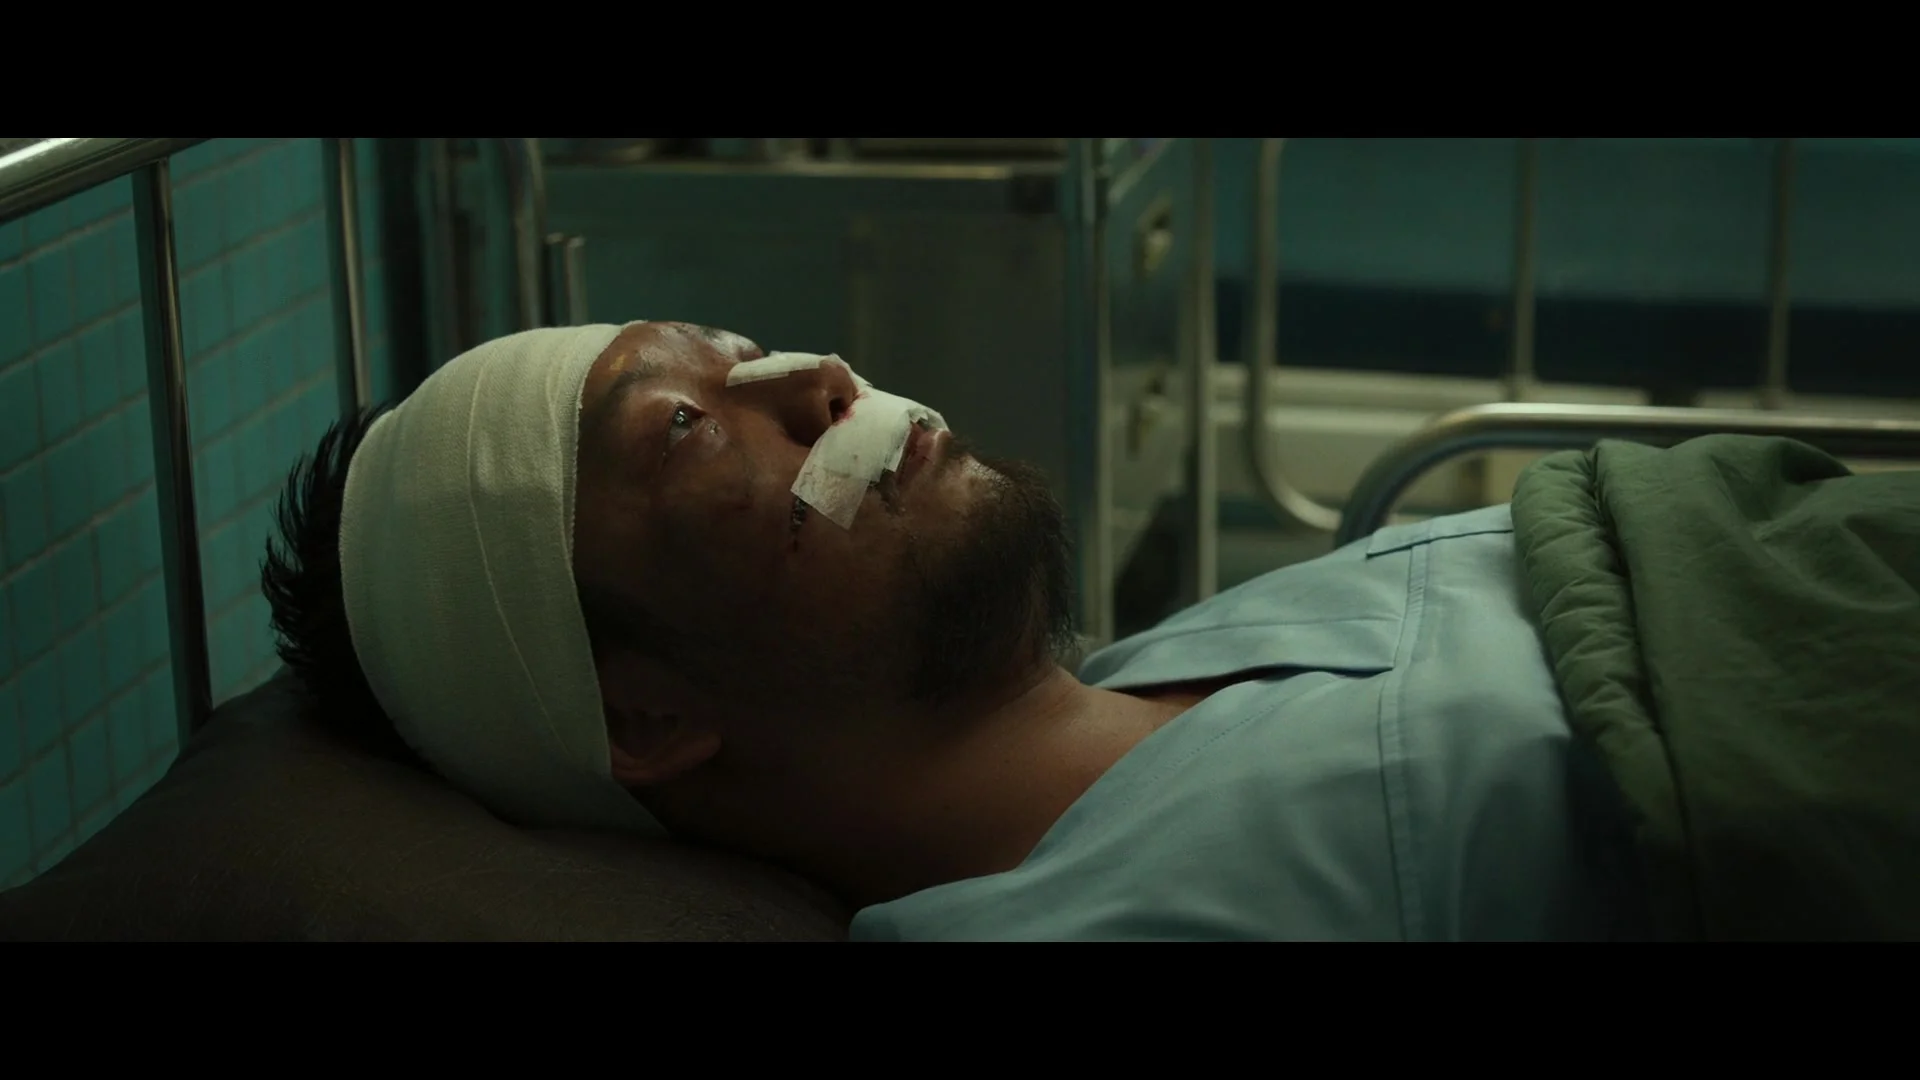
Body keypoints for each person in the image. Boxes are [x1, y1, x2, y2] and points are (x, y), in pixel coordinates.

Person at [262, 320, 1649, 940]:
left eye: (743, 353)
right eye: (686, 428)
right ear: (646, 717)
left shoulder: (1183, 660)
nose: (820, 380)